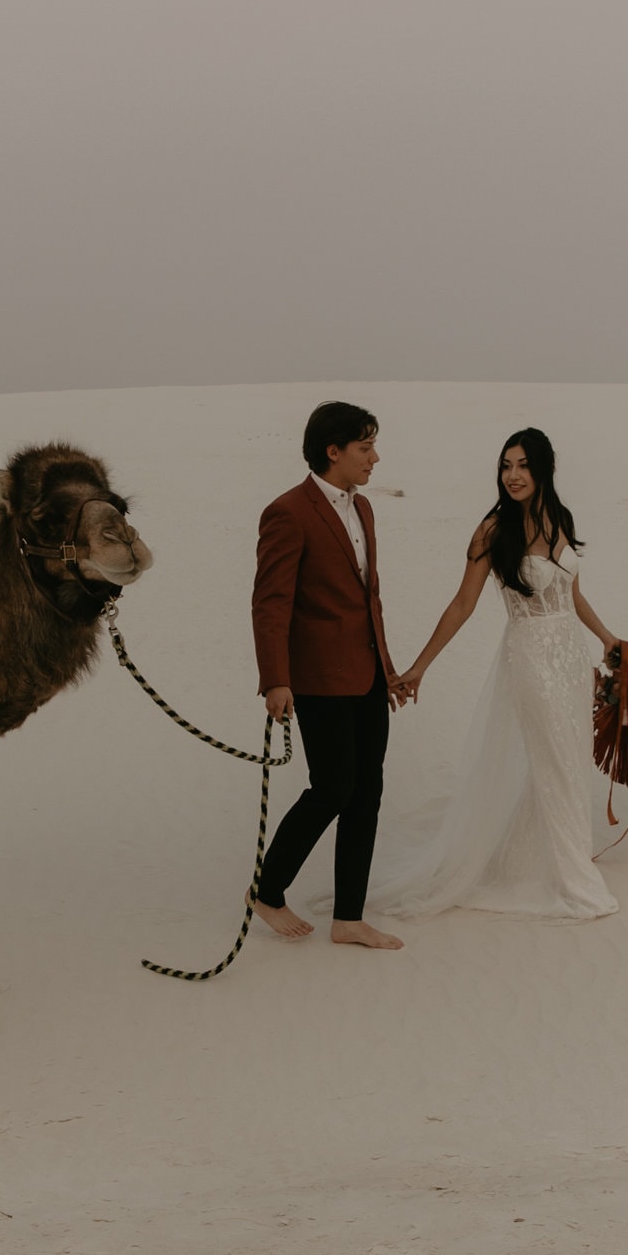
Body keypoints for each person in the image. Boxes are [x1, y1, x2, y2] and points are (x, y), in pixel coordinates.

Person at [374, 428, 623, 920]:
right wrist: (419, 667)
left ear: (543, 469)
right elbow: (463, 603)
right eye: (506, 466)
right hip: (529, 655)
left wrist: (607, 638)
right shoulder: (491, 530)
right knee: (553, 760)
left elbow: (571, 595)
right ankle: (573, 878)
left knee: (570, 759)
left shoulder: (560, 517)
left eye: (523, 465)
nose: (513, 475)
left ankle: (555, 860)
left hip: (571, 657)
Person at [249, 401, 410, 950]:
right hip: (315, 679)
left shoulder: (364, 510)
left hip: (367, 677)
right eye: (365, 447)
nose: (375, 457)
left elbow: (372, 600)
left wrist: (387, 670)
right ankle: (267, 891)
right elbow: (270, 603)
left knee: (367, 792)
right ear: (332, 450)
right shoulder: (287, 512)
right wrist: (276, 678)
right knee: (333, 788)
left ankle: (349, 918)